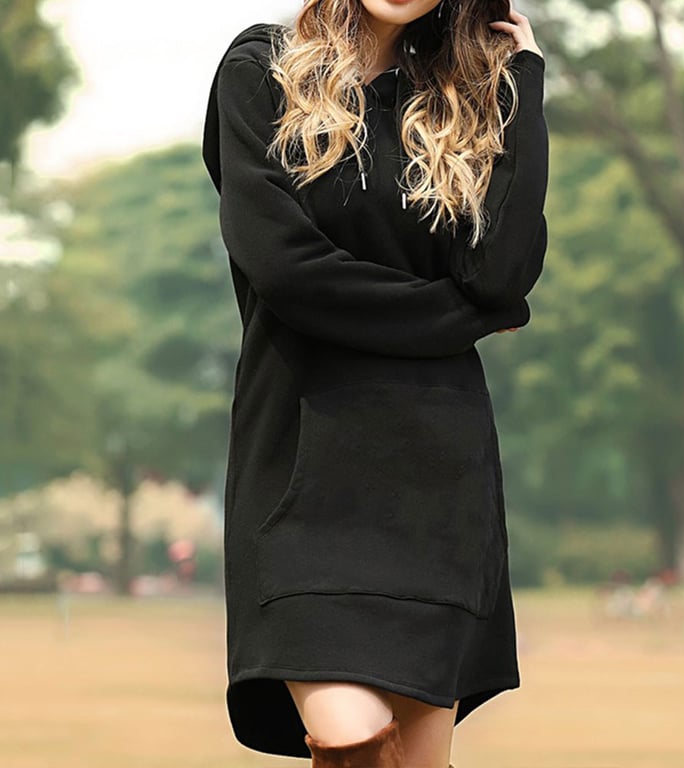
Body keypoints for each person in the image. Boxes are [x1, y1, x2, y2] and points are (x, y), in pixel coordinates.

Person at [201, 1, 548, 765]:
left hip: (438, 484)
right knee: (350, 741)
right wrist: (458, 319)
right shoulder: (261, 71)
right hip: (300, 476)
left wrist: (524, 81)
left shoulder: (463, 102)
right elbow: (290, 273)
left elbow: (501, 273)